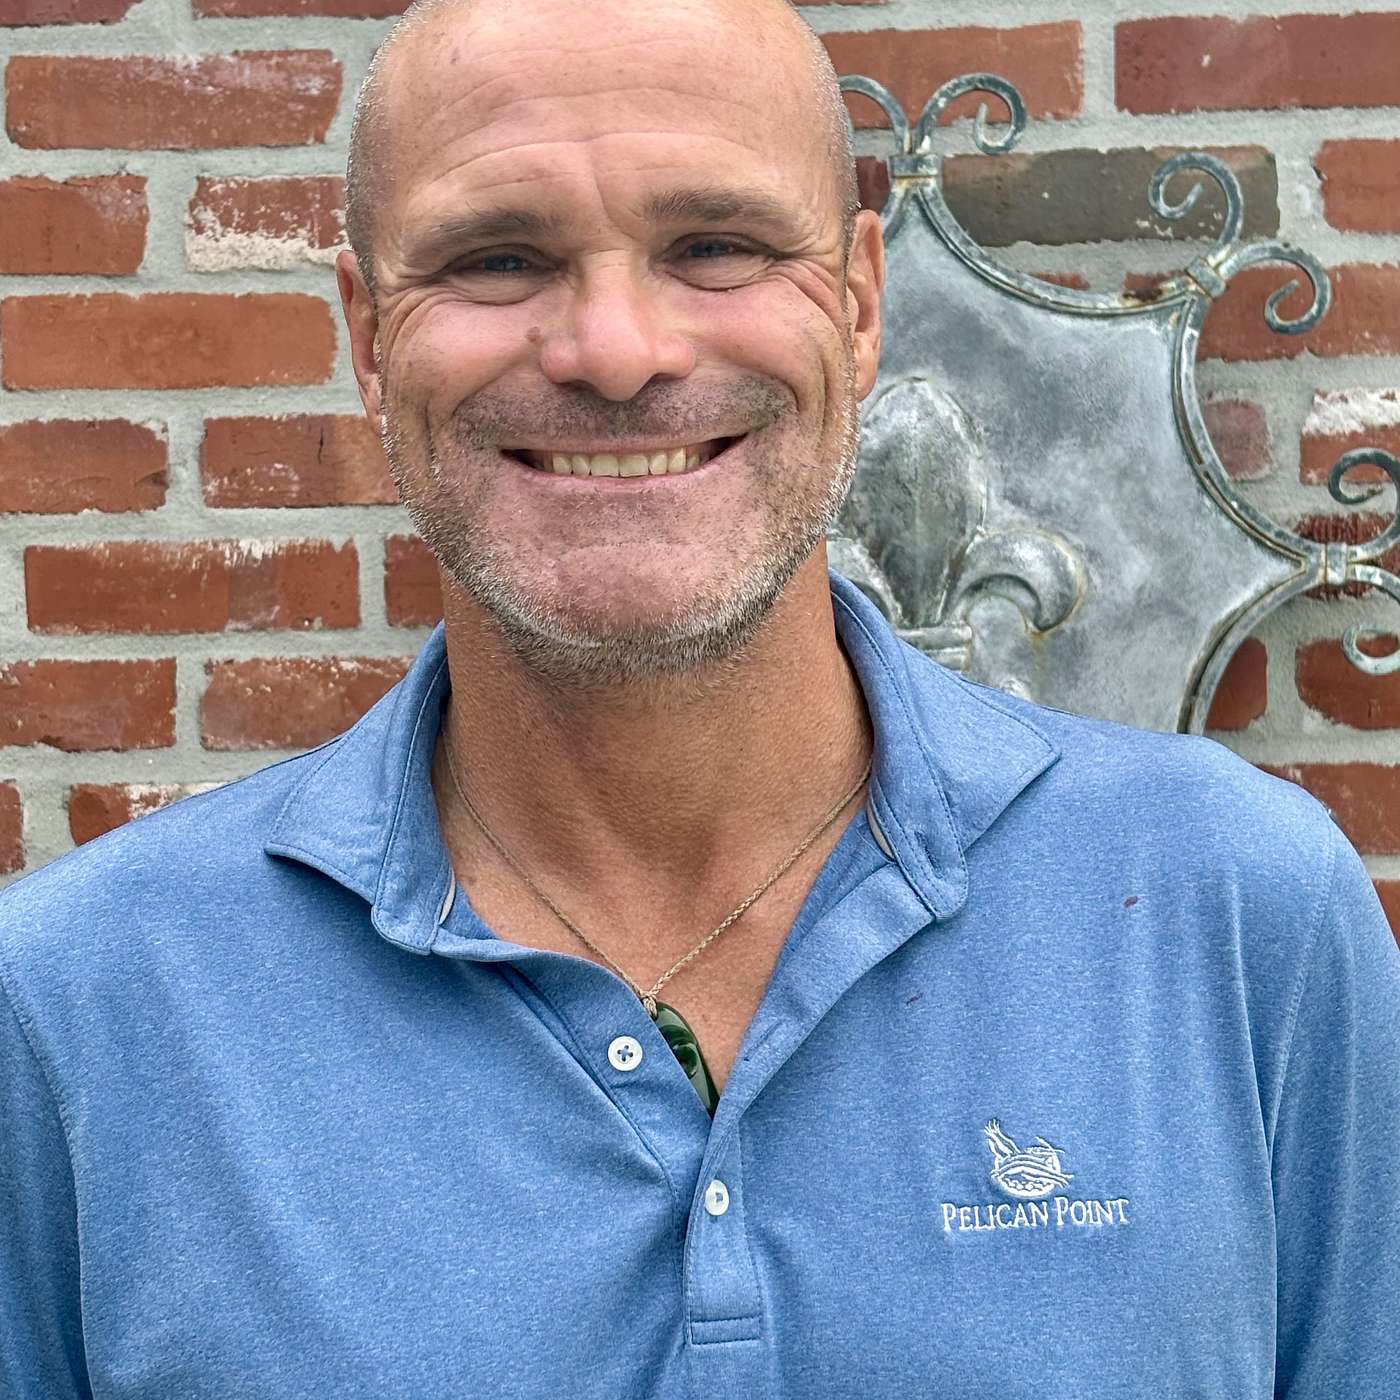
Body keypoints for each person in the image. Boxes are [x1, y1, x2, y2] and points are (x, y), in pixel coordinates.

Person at [2, 0, 1398, 1394]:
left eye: (716, 245)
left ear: (858, 304)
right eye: (497, 260)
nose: (617, 351)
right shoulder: (76, 1012)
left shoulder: (1238, 915)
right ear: (370, 342)